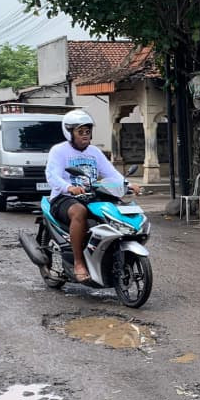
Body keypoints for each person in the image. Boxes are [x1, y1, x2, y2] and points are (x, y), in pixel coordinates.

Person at [46, 109, 138, 283]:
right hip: (63, 198)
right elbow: (52, 176)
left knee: (113, 211)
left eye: (87, 131)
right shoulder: (59, 151)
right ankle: (78, 262)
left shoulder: (94, 152)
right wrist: (69, 187)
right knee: (79, 212)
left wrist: (127, 184)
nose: (85, 135)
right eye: (80, 132)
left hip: (91, 195)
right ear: (69, 132)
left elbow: (111, 173)